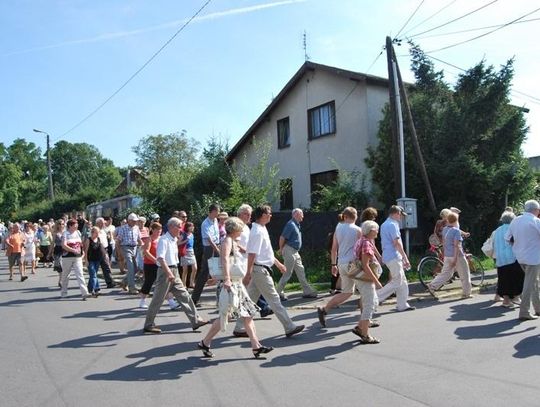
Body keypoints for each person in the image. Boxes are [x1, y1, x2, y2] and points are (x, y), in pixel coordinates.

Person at [197, 217, 273, 358]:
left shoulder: (233, 241)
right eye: (240, 228)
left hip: (237, 284)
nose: (242, 231)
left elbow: (242, 253)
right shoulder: (227, 241)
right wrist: (226, 279)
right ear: (234, 229)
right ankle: (205, 341)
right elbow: (224, 259)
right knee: (225, 316)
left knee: (247, 313)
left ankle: (256, 346)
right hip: (230, 284)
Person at [233, 205, 305, 338]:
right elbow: (252, 254)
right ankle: (289, 326)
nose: (271, 215)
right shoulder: (257, 231)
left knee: (250, 299)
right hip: (259, 270)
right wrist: (248, 273)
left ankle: (239, 327)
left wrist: (278, 264)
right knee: (274, 299)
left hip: (260, 269)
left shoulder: (261, 228)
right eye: (269, 213)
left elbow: (266, 252)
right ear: (263, 215)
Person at [143, 217, 209, 334]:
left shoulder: (173, 239)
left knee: (185, 296)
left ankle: (196, 320)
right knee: (158, 299)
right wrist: (168, 273)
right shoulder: (164, 240)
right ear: (172, 227)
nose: (181, 229)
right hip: (165, 272)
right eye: (179, 226)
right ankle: (148, 324)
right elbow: (161, 258)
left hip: (174, 271)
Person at [317, 207, 362, 328]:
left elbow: (334, 249)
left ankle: (324, 309)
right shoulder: (358, 230)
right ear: (356, 216)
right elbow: (361, 249)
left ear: (345, 216)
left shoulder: (338, 228)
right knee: (365, 289)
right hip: (353, 263)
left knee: (347, 292)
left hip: (341, 263)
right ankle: (365, 320)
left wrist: (333, 264)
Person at [505, 200, 540, 321]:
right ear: (536, 210)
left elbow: (508, 238)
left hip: (520, 257)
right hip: (534, 257)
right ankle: (524, 311)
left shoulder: (515, 220)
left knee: (534, 281)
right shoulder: (536, 221)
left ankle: (538, 307)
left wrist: (519, 246)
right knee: (529, 283)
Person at [376, 205, 415, 311]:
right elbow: (396, 243)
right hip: (393, 256)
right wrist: (405, 257)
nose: (401, 217)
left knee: (402, 281)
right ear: (397, 213)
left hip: (389, 256)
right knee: (397, 281)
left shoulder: (385, 224)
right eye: (401, 215)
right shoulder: (393, 225)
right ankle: (373, 299)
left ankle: (402, 305)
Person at [426, 212, 472, 299]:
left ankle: (432, 285)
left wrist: (445, 254)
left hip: (447, 255)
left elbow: (443, 242)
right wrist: (455, 259)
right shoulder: (456, 231)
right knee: (464, 274)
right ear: (456, 221)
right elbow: (457, 245)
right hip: (457, 256)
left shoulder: (445, 230)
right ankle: (466, 293)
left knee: (446, 274)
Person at [351, 220, 383, 344]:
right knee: (369, 305)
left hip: (362, 278)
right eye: (376, 229)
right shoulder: (366, 243)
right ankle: (365, 335)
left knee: (373, 301)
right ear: (370, 231)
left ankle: (360, 328)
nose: (377, 231)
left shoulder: (362, 241)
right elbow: (365, 265)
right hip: (365, 279)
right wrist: (376, 281)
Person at [276, 208, 318, 300]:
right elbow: (282, 237)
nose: (303, 216)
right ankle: (277, 293)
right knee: (287, 273)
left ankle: (307, 291)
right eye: (301, 214)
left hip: (295, 252)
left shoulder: (296, 224)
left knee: (301, 271)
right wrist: (281, 249)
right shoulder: (290, 224)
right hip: (289, 250)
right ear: (295, 215)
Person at [138, 222, 179, 310]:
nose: (159, 231)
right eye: (157, 229)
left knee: (165, 283)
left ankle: (171, 302)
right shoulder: (149, 239)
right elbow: (146, 252)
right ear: (152, 230)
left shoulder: (161, 239)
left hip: (160, 264)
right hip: (149, 265)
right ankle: (142, 300)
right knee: (148, 282)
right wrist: (155, 260)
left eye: (160, 229)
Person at [492, 211, 524, 308]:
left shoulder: (497, 230)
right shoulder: (513, 229)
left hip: (500, 258)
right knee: (517, 278)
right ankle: (516, 297)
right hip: (512, 257)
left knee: (503, 279)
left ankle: (506, 300)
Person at [191, 204, 221, 305]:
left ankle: (220, 299)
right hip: (209, 248)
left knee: (219, 272)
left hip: (217, 245)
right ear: (211, 211)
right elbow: (209, 238)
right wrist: (216, 249)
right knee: (205, 273)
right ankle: (194, 298)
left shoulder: (215, 221)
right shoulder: (205, 223)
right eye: (217, 211)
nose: (218, 213)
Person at [60, 219, 91, 300]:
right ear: (70, 226)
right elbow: (63, 245)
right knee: (66, 275)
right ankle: (64, 292)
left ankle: (85, 293)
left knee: (80, 274)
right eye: (75, 224)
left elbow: (80, 244)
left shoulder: (78, 232)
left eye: (77, 224)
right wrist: (73, 250)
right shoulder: (65, 234)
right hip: (67, 257)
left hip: (77, 257)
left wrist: (83, 252)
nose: (77, 226)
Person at [116, 213, 142, 294]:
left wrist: (143, 247)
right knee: (130, 267)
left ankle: (124, 282)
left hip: (134, 248)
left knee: (136, 268)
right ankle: (132, 288)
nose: (135, 222)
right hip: (126, 247)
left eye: (136, 221)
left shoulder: (136, 228)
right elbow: (118, 241)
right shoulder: (123, 228)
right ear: (129, 221)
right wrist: (119, 253)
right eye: (133, 221)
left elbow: (139, 239)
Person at [83, 226, 105, 296]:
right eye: (97, 232)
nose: (98, 234)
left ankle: (89, 288)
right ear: (93, 232)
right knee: (93, 275)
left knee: (93, 274)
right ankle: (95, 289)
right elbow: (85, 251)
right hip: (90, 260)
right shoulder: (88, 240)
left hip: (97, 259)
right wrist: (85, 260)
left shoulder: (98, 239)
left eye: (98, 232)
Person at [94, 217, 114, 288]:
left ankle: (110, 282)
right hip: (97, 250)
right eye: (102, 223)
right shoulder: (94, 230)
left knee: (106, 266)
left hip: (105, 249)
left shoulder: (103, 230)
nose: (103, 224)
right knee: (95, 268)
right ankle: (93, 284)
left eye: (104, 223)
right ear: (97, 223)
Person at [179, 222, 197, 288]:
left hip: (191, 252)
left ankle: (191, 283)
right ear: (187, 227)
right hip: (185, 252)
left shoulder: (192, 234)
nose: (192, 227)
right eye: (191, 226)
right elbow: (178, 243)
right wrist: (186, 240)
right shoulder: (183, 234)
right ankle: (183, 284)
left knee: (195, 268)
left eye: (193, 226)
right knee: (185, 270)